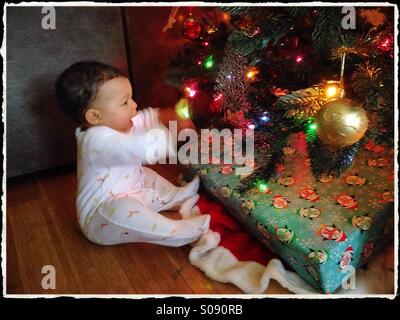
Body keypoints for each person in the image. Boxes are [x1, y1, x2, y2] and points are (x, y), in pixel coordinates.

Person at [55, 60, 210, 246]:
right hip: (102, 219)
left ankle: (175, 197)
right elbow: (138, 148)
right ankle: (179, 232)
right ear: (95, 116)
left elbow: (142, 120)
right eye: (125, 102)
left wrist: (161, 115)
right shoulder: (95, 140)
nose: (134, 105)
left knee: (146, 174)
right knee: (122, 209)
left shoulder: (115, 123)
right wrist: (171, 134)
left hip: (135, 194)